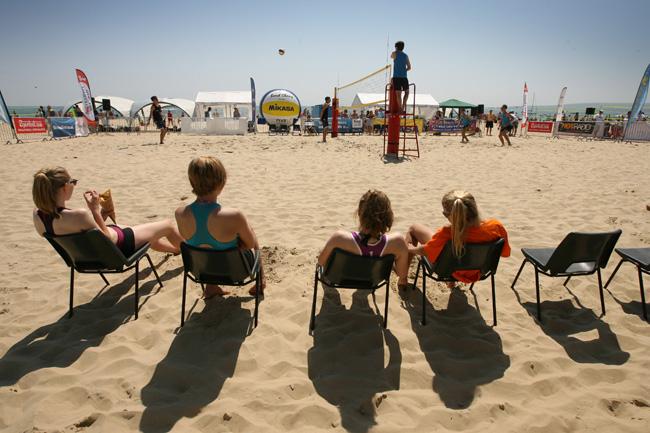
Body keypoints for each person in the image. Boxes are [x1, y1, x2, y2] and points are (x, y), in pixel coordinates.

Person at [32, 167, 183, 258]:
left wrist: (102, 215)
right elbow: (107, 241)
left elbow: (85, 234)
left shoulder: (38, 216)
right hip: (117, 251)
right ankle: (190, 254)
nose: (74, 185)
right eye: (73, 182)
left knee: (147, 232)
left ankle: (175, 250)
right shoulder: (79, 215)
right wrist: (95, 210)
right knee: (168, 225)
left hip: (86, 257)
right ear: (65, 187)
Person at [175, 156, 265, 298]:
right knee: (251, 232)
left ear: (192, 182)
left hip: (200, 271)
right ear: (222, 183)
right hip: (236, 271)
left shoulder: (180, 213)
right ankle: (261, 281)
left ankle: (210, 288)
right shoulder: (234, 216)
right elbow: (249, 245)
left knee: (205, 245)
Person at [405, 190, 510, 284]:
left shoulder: (447, 233)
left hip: (449, 271)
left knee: (414, 228)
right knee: (449, 249)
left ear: (448, 215)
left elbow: (425, 251)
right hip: (480, 271)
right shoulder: (496, 227)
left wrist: (410, 249)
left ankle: (402, 279)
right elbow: (505, 253)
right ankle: (451, 284)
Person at [318, 190, 409, 290]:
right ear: (388, 216)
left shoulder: (339, 239)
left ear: (360, 213)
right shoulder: (398, 242)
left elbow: (321, 262)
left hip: (338, 279)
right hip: (373, 281)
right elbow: (402, 274)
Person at [390, 41, 412, 114]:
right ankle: (403, 106)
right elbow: (409, 67)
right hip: (404, 77)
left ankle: (400, 109)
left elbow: (391, 57)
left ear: (396, 47)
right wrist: (404, 70)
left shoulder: (394, 53)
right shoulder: (405, 55)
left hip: (396, 77)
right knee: (407, 92)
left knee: (398, 94)